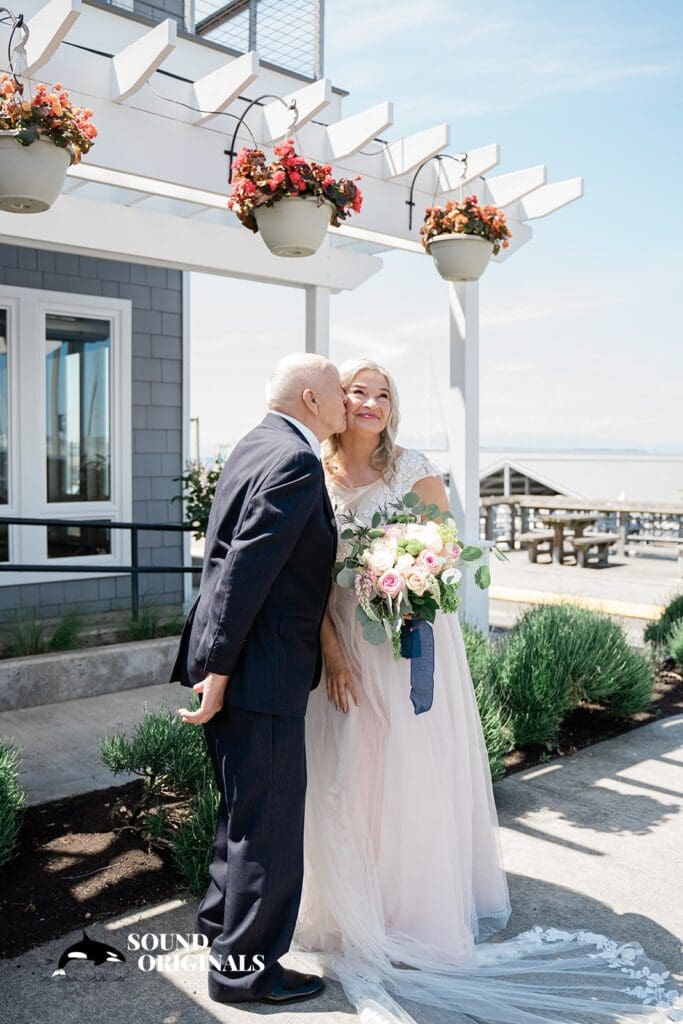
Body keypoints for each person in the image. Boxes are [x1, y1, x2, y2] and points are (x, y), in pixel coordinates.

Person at [290, 357, 681, 1024]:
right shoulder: (314, 473)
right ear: (337, 400)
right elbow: (306, 573)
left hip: (405, 641)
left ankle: (411, 909)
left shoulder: (412, 469)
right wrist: (331, 645)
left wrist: (403, 578)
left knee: (404, 766)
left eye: (382, 393)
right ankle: (349, 905)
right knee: (345, 764)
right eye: (358, 391)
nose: (371, 402)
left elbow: (441, 553)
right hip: (342, 641)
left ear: (392, 407)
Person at [168, 352, 346, 1006]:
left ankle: (221, 926)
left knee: (241, 813)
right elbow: (246, 568)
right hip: (258, 669)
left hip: (239, 661)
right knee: (267, 827)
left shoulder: (253, 443)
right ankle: (245, 972)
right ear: (309, 400)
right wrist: (220, 671)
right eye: (337, 390)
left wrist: (215, 664)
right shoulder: (296, 459)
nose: (346, 401)